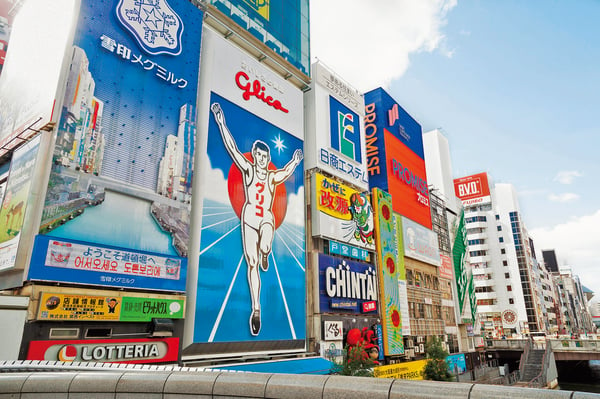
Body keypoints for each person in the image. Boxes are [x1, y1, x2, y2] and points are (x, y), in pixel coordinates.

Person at [211, 103, 303, 336]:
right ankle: (256, 308)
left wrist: (295, 161)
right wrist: (221, 122)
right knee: (251, 265)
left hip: (266, 218)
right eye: (258, 155)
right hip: (250, 217)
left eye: (264, 156)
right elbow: (232, 149)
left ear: (268, 157)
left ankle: (266, 252)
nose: (261, 158)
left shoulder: (272, 177)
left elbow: (286, 172)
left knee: (265, 243)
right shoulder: (249, 171)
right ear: (254, 155)